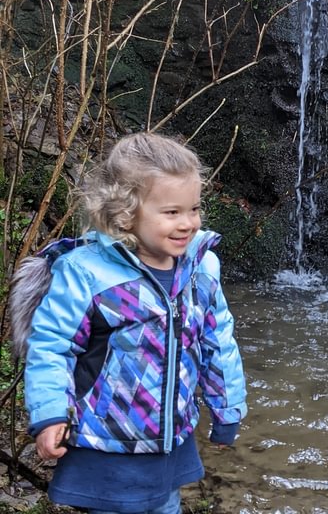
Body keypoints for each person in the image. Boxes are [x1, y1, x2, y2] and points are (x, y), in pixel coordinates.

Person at [19, 132, 247, 514]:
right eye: (171, 212)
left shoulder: (202, 268)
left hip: (169, 444)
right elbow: (52, 346)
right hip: (106, 445)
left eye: (193, 209)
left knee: (166, 505)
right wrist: (50, 414)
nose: (188, 223)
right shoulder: (87, 273)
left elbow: (218, 342)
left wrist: (228, 409)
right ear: (125, 213)